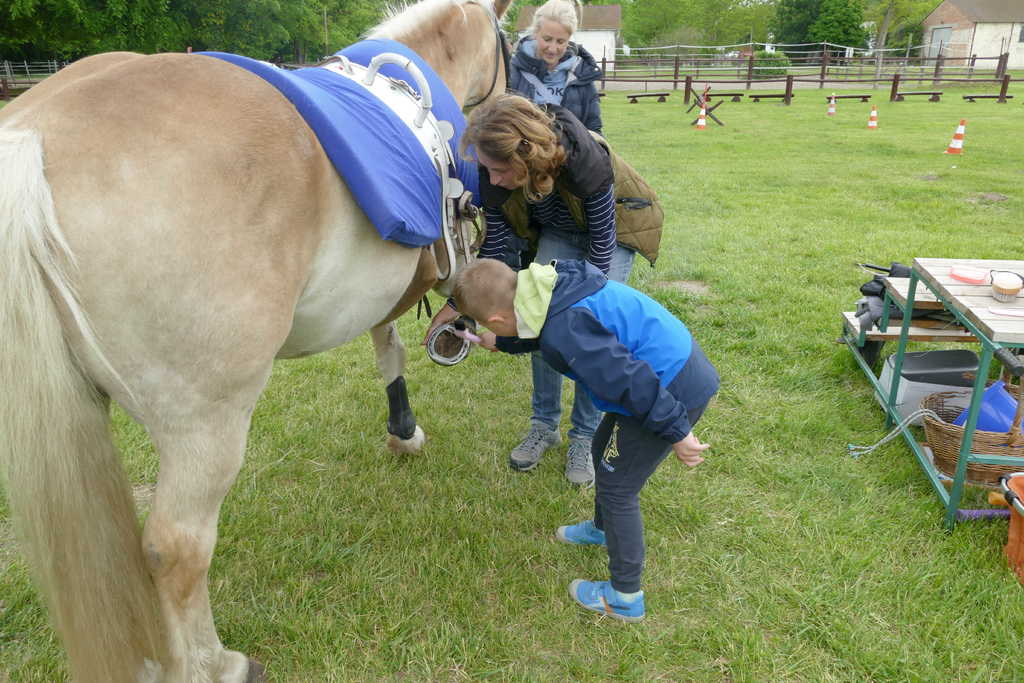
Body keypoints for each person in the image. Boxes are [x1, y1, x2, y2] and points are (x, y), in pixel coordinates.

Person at [451, 257, 719, 621]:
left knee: (618, 488)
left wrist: (676, 430)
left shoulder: (566, 329)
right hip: (671, 366)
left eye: (492, 326)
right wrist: (502, 342)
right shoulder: (551, 285)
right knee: (601, 445)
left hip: (667, 387)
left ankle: (625, 597)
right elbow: (542, 330)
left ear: (497, 319)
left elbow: (629, 379)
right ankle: (602, 529)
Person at [424, 94, 660, 486]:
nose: (493, 180)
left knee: (591, 333)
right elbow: (497, 248)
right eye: (488, 170)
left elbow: (601, 246)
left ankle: (584, 435)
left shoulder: (584, 159)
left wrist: (579, 310)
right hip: (559, 230)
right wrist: (456, 304)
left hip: (613, 231)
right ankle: (544, 424)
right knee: (532, 317)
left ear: (525, 157)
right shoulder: (492, 165)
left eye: (499, 171)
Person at [509, 0, 604, 134]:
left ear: (569, 39)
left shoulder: (581, 77)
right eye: (547, 39)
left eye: (560, 41)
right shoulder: (512, 73)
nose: (553, 49)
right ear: (535, 33)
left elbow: (594, 132)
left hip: (569, 155)